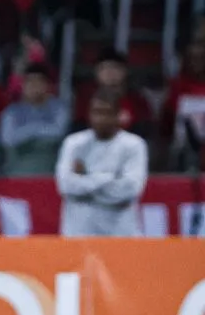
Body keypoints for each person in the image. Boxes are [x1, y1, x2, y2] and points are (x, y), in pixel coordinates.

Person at [55, 88, 148, 237]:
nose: (100, 119)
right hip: (79, 234)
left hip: (121, 234)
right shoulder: (73, 143)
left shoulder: (134, 145)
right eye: (96, 112)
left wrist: (86, 178)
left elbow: (131, 189)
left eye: (107, 113)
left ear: (118, 115)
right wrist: (111, 178)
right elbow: (66, 185)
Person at [0, 62, 70, 175]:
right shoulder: (11, 112)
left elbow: (58, 132)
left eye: (39, 82)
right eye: (30, 82)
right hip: (17, 173)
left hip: (50, 174)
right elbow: (8, 140)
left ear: (47, 85)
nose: (34, 86)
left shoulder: (58, 108)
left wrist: (25, 132)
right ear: (23, 85)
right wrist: (37, 129)